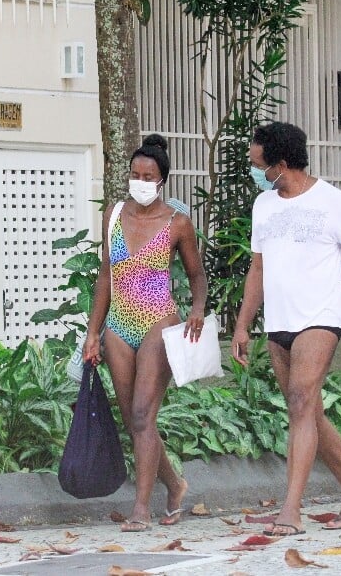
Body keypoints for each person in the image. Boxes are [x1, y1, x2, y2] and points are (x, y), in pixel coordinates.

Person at [231, 122, 341, 536]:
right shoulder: (264, 205)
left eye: (258, 164)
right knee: (308, 410)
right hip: (279, 323)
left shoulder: (332, 201)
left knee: (298, 400)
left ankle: (290, 509)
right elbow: (256, 269)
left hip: (320, 318)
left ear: (280, 163)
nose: (254, 171)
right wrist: (242, 326)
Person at [83, 134, 207, 532]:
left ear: (161, 181)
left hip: (159, 322)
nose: (139, 180)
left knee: (141, 414)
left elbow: (197, 275)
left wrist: (198, 310)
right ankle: (174, 484)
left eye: (147, 176)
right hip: (118, 326)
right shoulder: (114, 215)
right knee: (135, 420)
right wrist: (92, 332)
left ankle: (141, 507)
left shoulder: (177, 222)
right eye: (134, 174)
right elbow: (106, 275)